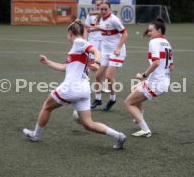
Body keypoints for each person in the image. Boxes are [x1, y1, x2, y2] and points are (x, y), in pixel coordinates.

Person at [23, 20, 126, 149]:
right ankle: (118, 136)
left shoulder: (78, 43)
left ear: (70, 33)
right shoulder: (78, 49)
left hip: (71, 87)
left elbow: (96, 51)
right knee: (88, 124)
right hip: (83, 90)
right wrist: (48, 62)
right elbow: (65, 67)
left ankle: (36, 135)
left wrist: (97, 63)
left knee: (46, 107)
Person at [124, 18, 174, 137]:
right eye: (148, 30)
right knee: (134, 88)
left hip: (156, 83)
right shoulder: (167, 43)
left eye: (151, 30)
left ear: (159, 30)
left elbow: (156, 62)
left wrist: (143, 75)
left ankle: (145, 129)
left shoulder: (154, 42)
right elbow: (171, 67)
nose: (148, 33)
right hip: (163, 81)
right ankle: (139, 115)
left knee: (128, 103)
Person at [90, 0, 128, 111]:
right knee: (98, 76)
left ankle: (112, 99)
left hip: (116, 51)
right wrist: (95, 28)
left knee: (108, 77)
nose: (103, 11)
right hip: (105, 51)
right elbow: (105, 27)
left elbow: (125, 33)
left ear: (109, 9)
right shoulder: (100, 18)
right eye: (101, 9)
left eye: (105, 9)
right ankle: (98, 99)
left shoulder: (114, 20)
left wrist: (118, 47)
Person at [85, 0, 110, 93]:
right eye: (97, 4)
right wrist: (85, 40)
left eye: (100, 4)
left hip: (104, 42)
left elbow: (107, 28)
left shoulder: (107, 16)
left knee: (104, 64)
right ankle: (86, 86)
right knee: (90, 64)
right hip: (93, 41)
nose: (98, 6)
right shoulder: (90, 15)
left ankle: (101, 86)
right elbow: (86, 28)